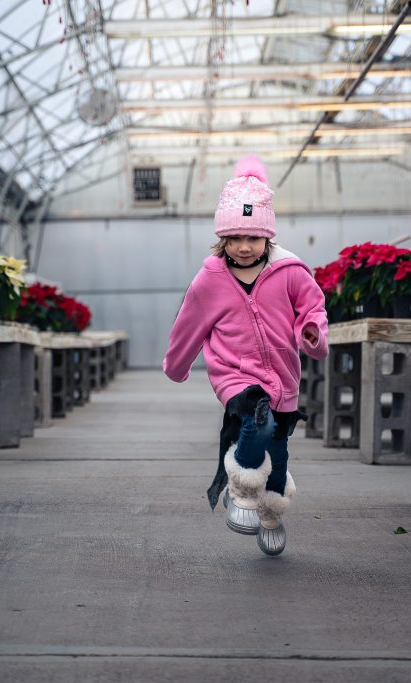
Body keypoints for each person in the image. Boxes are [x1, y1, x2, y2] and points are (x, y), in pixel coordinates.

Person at [162, 156, 329, 556]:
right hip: (234, 376)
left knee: (279, 449)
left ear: (267, 237)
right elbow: (189, 325)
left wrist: (311, 334)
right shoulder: (211, 279)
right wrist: (177, 366)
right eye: (234, 237)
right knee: (258, 421)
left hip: (283, 378)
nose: (243, 246)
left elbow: (313, 309)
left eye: (252, 238)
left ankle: (271, 515)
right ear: (222, 237)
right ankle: (241, 492)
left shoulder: (290, 271)